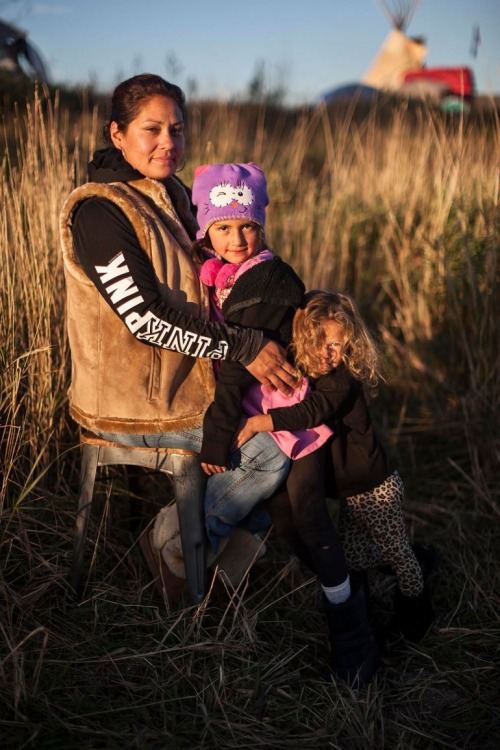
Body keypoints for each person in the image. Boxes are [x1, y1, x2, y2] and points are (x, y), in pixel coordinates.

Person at [59, 74, 297, 593]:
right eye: (152, 130)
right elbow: (145, 319)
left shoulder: (169, 192)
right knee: (270, 448)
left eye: (178, 129)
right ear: (116, 134)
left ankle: (209, 571)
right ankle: (171, 546)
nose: (169, 143)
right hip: (130, 400)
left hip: (186, 379)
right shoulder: (100, 210)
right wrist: (244, 346)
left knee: (297, 430)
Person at [190, 166, 380, 687]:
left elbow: (233, 370)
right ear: (206, 228)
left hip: (292, 421)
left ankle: (354, 637)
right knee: (290, 524)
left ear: (263, 227)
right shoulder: (217, 273)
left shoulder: (267, 281)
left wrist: (217, 435)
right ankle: (347, 588)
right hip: (265, 422)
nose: (236, 238)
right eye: (223, 227)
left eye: (247, 226)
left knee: (310, 519)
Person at [235, 289, 437, 649]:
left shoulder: (341, 381)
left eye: (338, 345)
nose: (331, 353)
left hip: (375, 488)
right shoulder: (309, 375)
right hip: (351, 493)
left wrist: (257, 423)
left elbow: (310, 414)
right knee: (356, 556)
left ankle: (416, 617)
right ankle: (369, 613)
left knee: (398, 555)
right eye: (323, 343)